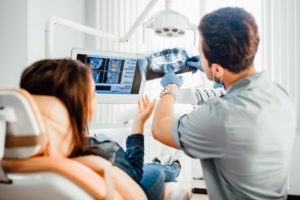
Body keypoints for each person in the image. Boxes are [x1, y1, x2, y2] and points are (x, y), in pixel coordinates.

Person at [152, 7, 296, 200]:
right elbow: (239, 103)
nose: (201, 58)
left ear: (218, 68)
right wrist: (214, 73)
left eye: (202, 55)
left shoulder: (221, 117)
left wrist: (170, 87)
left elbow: (160, 128)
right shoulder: (279, 94)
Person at [19, 58, 181, 200]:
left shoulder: (18, 158)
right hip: (124, 184)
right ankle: (174, 166)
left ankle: (163, 162)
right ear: (83, 106)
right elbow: (134, 174)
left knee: (152, 167)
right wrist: (138, 122)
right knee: (155, 171)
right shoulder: (102, 150)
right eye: (93, 94)